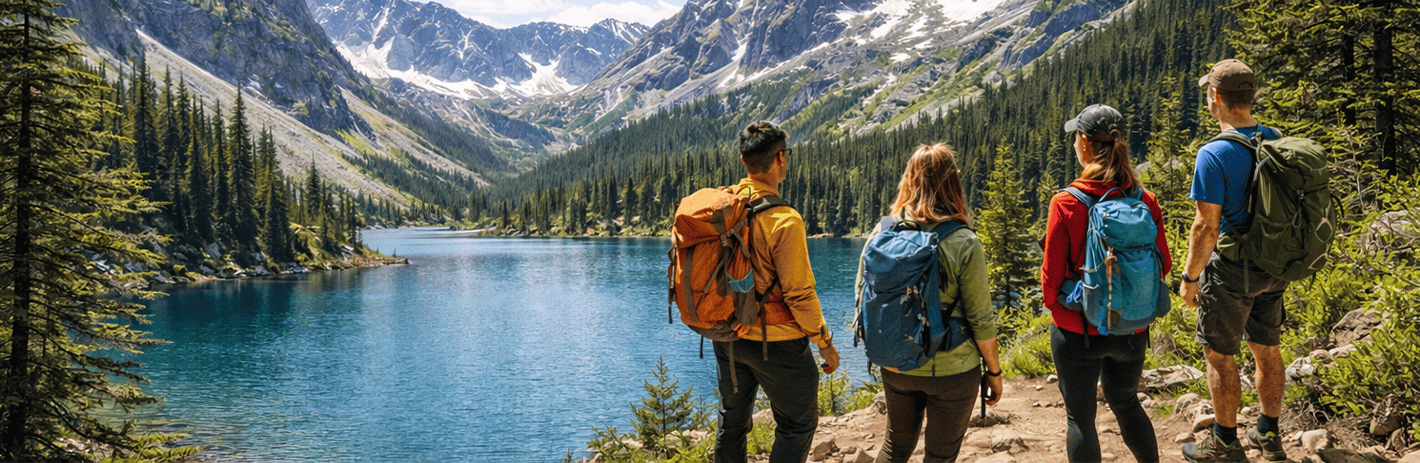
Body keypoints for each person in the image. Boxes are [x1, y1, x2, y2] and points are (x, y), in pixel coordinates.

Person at [859, 144, 1003, 463]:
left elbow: (862, 295)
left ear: (909, 180)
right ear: (954, 183)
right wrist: (994, 372)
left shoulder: (882, 232)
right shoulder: (964, 241)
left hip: (896, 365)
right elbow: (981, 320)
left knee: (894, 448)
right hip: (952, 372)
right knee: (939, 457)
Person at [1042, 104, 1169, 463]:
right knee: (1127, 403)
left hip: (1079, 330)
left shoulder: (1066, 202)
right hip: (1131, 327)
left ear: (1083, 143)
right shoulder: (1145, 200)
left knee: (1080, 418)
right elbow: (1165, 263)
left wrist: (1066, 311)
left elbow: (1051, 280)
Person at [1178, 59, 1288, 463]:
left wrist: (1190, 277)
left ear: (1215, 97)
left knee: (1221, 355)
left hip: (1231, 271)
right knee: (1268, 349)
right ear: (1251, 96)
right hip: (1274, 264)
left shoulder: (1214, 153)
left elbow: (1205, 227)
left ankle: (1225, 441)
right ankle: (1270, 435)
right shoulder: (1275, 137)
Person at [713, 121, 840, 463]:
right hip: (777, 341)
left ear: (744, 162)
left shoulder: (721, 208)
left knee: (732, 420)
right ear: (780, 159)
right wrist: (824, 343)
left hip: (728, 335)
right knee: (797, 424)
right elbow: (799, 294)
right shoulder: (785, 220)